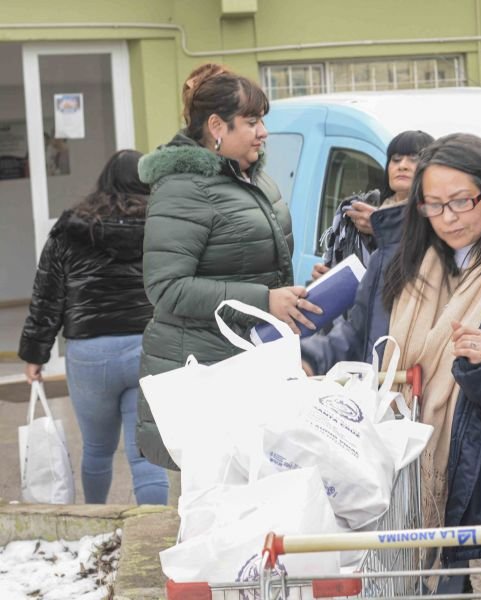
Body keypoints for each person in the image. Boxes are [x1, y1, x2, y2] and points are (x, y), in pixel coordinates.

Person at [302, 133, 481, 595]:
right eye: (434, 205)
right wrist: (306, 360)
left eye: (462, 201)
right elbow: (358, 342)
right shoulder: (399, 253)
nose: (448, 218)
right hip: (410, 488)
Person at [136, 63, 316, 470]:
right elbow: (166, 287)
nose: (263, 132)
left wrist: (296, 291)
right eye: (252, 122)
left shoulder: (253, 180)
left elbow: (260, 266)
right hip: (205, 375)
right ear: (217, 126)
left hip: (253, 366)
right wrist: (264, 301)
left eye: (262, 120)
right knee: (211, 500)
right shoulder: (183, 188)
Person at [18, 149, 169, 505]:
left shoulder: (72, 226)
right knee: (145, 454)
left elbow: (48, 294)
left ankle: (94, 524)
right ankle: (154, 533)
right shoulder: (163, 224)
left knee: (98, 450)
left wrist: (35, 354)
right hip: (148, 347)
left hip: (90, 353)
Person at [312, 129, 434, 281]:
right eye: (396, 159)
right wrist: (326, 278)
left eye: (414, 159)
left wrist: (383, 228)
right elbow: (337, 263)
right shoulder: (358, 208)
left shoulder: (435, 216)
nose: (402, 165)